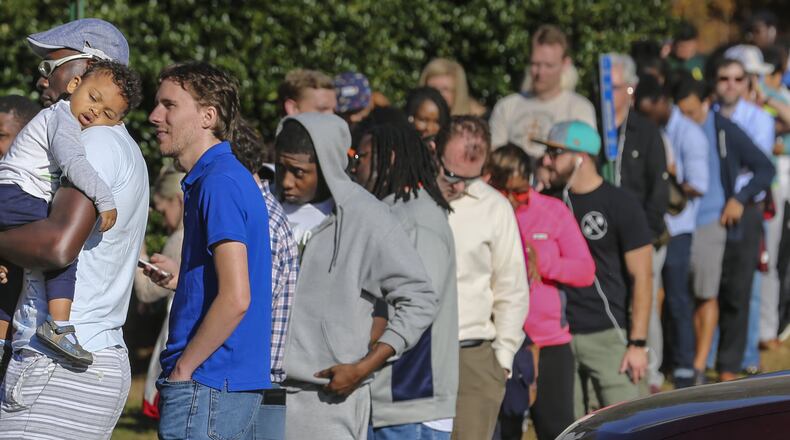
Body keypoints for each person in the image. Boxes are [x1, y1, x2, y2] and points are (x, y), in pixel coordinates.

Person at [0, 18, 149, 439]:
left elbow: (57, 247)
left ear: (85, 70)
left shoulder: (95, 143)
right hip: (72, 359)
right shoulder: (116, 143)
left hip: (60, 363)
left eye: (51, 66)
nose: (41, 78)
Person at [275, 113, 439, 439]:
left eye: (299, 172)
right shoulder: (265, 207)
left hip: (327, 403)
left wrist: (365, 366)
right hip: (258, 395)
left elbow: (419, 298)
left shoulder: (367, 218)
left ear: (326, 167)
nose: (287, 182)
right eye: (281, 168)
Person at [148, 61, 280, 440]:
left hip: (207, 385)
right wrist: (183, 281)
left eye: (170, 105)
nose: (156, 116)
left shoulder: (219, 182)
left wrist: (183, 370)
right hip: (220, 386)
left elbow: (237, 297)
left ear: (208, 115)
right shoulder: (221, 177)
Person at [0, 59, 141, 366]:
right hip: (16, 193)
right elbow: (74, 163)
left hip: (12, 194)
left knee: (12, 268)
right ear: (75, 86)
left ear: (118, 122)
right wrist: (104, 198)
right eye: (93, 98)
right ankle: (59, 326)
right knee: (61, 248)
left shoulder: (73, 122)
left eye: (108, 114)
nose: (95, 113)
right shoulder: (62, 117)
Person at [349, 122, 458, 440]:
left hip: (409, 404)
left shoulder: (416, 220)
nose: (355, 166)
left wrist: (363, 364)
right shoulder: (393, 210)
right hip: (391, 402)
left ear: (391, 158)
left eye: (363, 156)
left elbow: (418, 307)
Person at [538, 120, 652, 417]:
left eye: (554, 152)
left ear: (580, 157)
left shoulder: (620, 203)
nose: (546, 159)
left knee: (630, 423)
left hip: (608, 335)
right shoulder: (547, 202)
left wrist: (637, 343)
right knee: (569, 428)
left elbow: (643, 277)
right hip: (559, 336)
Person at [485, 145, 595, 440]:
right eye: (503, 192)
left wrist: (542, 262)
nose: (511, 200)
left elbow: (585, 271)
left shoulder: (552, 211)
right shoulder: (480, 211)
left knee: (556, 430)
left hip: (549, 342)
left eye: (519, 193)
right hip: (498, 341)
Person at [674, 73, 775, 383]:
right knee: (684, 296)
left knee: (723, 294)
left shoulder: (723, 130)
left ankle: (715, 366)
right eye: (682, 113)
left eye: (691, 112)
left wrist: (739, 198)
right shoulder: (675, 128)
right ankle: (687, 361)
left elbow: (765, 167)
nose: (686, 119)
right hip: (683, 223)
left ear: (706, 103)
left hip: (718, 222)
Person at [435, 116, 529, 439]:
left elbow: (512, 288)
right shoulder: (411, 199)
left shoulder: (495, 208)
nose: (457, 186)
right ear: (435, 152)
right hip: (414, 353)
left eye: (469, 179)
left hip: (472, 358)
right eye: (449, 174)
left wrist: (502, 360)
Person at [637, 74, 709, 388]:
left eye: (646, 109)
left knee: (678, 298)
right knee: (653, 298)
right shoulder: (657, 130)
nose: (643, 116)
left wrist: (668, 175)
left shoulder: (690, 134)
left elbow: (699, 185)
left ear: (661, 102)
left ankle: (683, 367)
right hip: (655, 225)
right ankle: (662, 362)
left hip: (679, 227)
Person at [710, 56, 775, 380]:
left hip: (744, 208)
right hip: (710, 211)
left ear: (748, 83)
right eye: (724, 78)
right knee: (709, 287)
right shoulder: (705, 116)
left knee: (741, 290)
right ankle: (708, 359)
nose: (731, 85)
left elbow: (758, 166)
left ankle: (734, 363)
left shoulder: (759, 118)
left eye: (738, 79)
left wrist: (738, 197)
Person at [489, 24, 596, 159]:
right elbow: (495, 158)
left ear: (565, 64)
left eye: (549, 65)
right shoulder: (506, 106)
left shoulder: (579, 109)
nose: (540, 72)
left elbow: (583, 162)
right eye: (535, 64)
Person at [134, 166, 185, 419]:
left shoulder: (179, 239)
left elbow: (146, 291)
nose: (163, 218)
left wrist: (138, 245)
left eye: (163, 209)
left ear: (178, 200)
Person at [419, 58, 486, 116]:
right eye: (433, 88)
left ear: (457, 92)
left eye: (445, 89)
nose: (438, 94)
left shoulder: (479, 122)